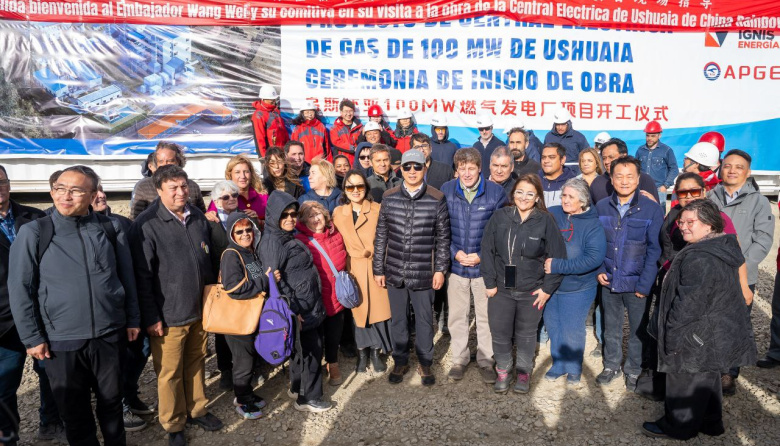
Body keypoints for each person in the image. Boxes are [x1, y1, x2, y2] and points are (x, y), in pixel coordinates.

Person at [10, 165, 140, 446]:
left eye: (76, 190)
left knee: (112, 405)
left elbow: (126, 276)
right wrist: (32, 337)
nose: (65, 196)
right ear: (52, 192)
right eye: (60, 189)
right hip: (62, 340)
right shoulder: (34, 232)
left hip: (109, 334)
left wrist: (132, 318)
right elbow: (20, 288)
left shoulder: (110, 227)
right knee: (75, 414)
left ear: (93, 195)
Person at [642, 200, 756, 441]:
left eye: (690, 222)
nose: (683, 226)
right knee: (708, 375)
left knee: (684, 376)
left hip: (695, 331)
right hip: (713, 330)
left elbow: (689, 303)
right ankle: (710, 422)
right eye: (681, 221)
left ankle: (679, 426)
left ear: (709, 225)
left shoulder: (701, 257)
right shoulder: (721, 245)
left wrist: (673, 335)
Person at [129, 165, 223, 446]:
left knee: (196, 362)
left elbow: (208, 258)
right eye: (173, 188)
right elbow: (142, 277)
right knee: (169, 372)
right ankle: (173, 423)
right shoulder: (146, 225)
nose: (181, 192)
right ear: (159, 190)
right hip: (168, 315)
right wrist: (151, 317)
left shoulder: (197, 217)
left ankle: (197, 409)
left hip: (199, 310)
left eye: (184, 186)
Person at [481, 173, 566, 394]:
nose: (524, 197)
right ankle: (503, 369)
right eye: (519, 192)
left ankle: (523, 372)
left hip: (531, 290)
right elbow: (487, 250)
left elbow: (558, 257)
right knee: (499, 332)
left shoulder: (545, 220)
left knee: (526, 334)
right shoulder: (500, 217)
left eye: (530, 194)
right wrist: (490, 282)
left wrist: (547, 289)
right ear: (513, 194)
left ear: (537, 197)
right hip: (500, 289)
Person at [373, 149, 450, 386]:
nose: (412, 171)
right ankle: (400, 360)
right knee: (399, 320)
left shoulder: (436, 197)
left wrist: (440, 269)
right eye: (407, 167)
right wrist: (378, 269)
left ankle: (425, 362)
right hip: (395, 269)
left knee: (425, 320)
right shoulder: (389, 197)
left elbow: (443, 238)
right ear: (401, 169)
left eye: (417, 166)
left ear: (424, 168)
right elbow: (381, 235)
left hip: (424, 272)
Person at [0, 165, 65, 446]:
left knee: (51, 374)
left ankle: (50, 423)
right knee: (4, 385)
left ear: (9, 184)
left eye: (1, 181)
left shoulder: (35, 217)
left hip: (42, 313)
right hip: (4, 321)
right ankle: (8, 436)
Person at [708, 149, 774, 394]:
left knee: (735, 324)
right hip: (711, 273)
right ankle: (709, 367)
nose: (732, 170)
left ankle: (729, 372)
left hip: (741, 276)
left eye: (739, 167)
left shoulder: (759, 202)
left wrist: (741, 266)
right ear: (720, 168)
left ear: (748, 172)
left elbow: (763, 240)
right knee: (710, 320)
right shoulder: (710, 197)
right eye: (728, 165)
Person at [595, 157, 664, 391]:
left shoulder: (652, 209)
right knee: (611, 327)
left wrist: (645, 284)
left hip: (637, 283)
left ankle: (633, 369)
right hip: (609, 280)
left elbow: (655, 249)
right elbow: (595, 243)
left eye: (630, 176)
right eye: (619, 176)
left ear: (638, 179)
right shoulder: (602, 207)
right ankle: (611, 365)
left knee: (637, 330)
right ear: (611, 178)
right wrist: (599, 270)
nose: (624, 181)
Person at [259, 191, 330, 412]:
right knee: (311, 352)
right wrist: (293, 310)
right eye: (284, 215)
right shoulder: (272, 243)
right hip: (299, 307)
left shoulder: (285, 236)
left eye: (293, 214)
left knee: (301, 351)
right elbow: (274, 284)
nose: (290, 218)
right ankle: (309, 398)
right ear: (274, 216)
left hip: (306, 303)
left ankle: (298, 387)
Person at [440, 148, 507, 383]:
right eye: (462, 168)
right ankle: (459, 359)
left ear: (480, 168)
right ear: (456, 170)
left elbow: (501, 232)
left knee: (485, 316)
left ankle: (486, 360)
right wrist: (454, 253)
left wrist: (481, 255)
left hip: (483, 267)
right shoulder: (447, 190)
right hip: (457, 266)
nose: (467, 173)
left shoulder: (496, 193)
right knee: (457, 315)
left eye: (471, 168)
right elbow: (441, 228)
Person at [93, 185, 155, 430]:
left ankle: (129, 393)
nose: (101, 196)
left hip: (131, 300)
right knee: (114, 360)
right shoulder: (78, 228)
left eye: (101, 191)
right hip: (105, 307)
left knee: (140, 349)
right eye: (94, 193)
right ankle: (118, 405)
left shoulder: (122, 223)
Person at [543, 178, 606, 385]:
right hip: (552, 285)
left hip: (578, 287)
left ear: (583, 200)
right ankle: (558, 363)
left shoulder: (592, 224)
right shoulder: (553, 213)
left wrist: (559, 265)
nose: (565, 200)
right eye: (564, 195)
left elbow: (593, 258)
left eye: (571, 197)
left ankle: (573, 367)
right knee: (553, 325)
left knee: (572, 327)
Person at [332, 170, 392, 373]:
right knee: (357, 312)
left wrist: (382, 265)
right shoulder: (338, 213)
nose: (355, 190)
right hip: (353, 268)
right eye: (350, 186)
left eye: (359, 186)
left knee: (377, 311)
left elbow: (387, 239)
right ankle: (362, 352)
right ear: (344, 190)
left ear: (366, 188)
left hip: (375, 266)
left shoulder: (377, 209)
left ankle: (376, 351)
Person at [219, 212, 270, 420]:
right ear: (232, 235)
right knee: (243, 362)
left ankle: (246, 393)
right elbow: (234, 288)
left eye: (248, 229)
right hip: (237, 319)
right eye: (239, 232)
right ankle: (242, 401)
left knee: (249, 358)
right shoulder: (231, 254)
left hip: (251, 315)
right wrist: (265, 280)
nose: (245, 234)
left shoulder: (250, 252)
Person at [295, 202, 348, 386]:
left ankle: (333, 363)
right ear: (304, 221)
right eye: (310, 216)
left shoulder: (336, 235)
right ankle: (314, 369)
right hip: (315, 296)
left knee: (334, 332)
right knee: (316, 337)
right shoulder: (300, 241)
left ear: (325, 216)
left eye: (318, 214)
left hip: (337, 293)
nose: (316, 219)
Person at [204, 181, 243, 391]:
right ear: (217, 201)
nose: (231, 199)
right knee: (222, 329)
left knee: (245, 323)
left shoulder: (244, 218)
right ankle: (226, 370)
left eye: (234, 195)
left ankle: (247, 367)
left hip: (243, 279)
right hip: (220, 282)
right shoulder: (209, 222)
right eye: (226, 197)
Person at [130, 141, 206, 219]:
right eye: (161, 161)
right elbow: (136, 219)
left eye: (170, 161)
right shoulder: (144, 187)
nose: (165, 164)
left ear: (178, 162)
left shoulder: (192, 186)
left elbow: (202, 216)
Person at [590, 138, 660, 204]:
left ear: (624, 156)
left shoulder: (645, 180)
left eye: (611, 157)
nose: (606, 162)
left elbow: (656, 209)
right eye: (604, 158)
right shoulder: (597, 184)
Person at [206, 154, 268, 226]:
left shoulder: (263, 197)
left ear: (251, 173)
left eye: (246, 172)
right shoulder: (222, 197)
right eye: (237, 172)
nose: (243, 176)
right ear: (230, 174)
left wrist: (259, 222)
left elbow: (272, 224)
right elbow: (210, 219)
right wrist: (207, 215)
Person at [635, 121, 678, 209]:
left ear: (659, 135)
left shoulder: (666, 150)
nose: (649, 138)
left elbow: (674, 169)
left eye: (653, 136)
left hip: (659, 189)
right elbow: (635, 168)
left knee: (659, 212)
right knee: (641, 212)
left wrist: (665, 186)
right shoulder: (640, 150)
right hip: (642, 189)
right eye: (647, 135)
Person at [543, 108, 589, 173]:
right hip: (553, 173)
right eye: (558, 124)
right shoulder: (549, 137)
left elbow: (587, 155)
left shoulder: (579, 137)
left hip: (574, 174)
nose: (560, 127)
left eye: (563, 124)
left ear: (568, 123)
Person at [251, 84, 288, 158]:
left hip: (282, 153)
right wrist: (263, 158)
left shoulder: (276, 112)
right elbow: (259, 138)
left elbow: (284, 132)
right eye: (271, 99)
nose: (273, 101)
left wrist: (287, 149)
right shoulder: (259, 116)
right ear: (263, 99)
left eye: (274, 99)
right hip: (271, 155)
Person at [540, 143, 577, 207]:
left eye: (551, 157)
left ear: (562, 160)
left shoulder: (574, 183)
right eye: (543, 157)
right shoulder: (534, 181)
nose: (546, 161)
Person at [329, 99, 363, 164]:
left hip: (357, 161)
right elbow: (336, 142)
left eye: (351, 111)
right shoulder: (335, 128)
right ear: (341, 112)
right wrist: (353, 148)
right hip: (342, 162)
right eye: (346, 111)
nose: (349, 114)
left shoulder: (360, 127)